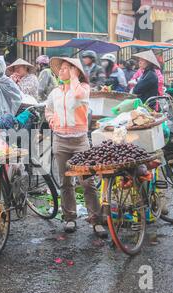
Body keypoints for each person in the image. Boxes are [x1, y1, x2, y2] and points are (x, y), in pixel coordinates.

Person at [45, 56, 108, 238]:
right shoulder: (55, 92)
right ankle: (69, 217)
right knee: (65, 182)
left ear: (76, 71)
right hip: (60, 141)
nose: (61, 71)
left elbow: (79, 95)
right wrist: (51, 121)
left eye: (66, 68)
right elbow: (48, 109)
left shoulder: (83, 89)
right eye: (61, 69)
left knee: (87, 182)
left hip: (80, 141)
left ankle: (96, 220)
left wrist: (74, 78)